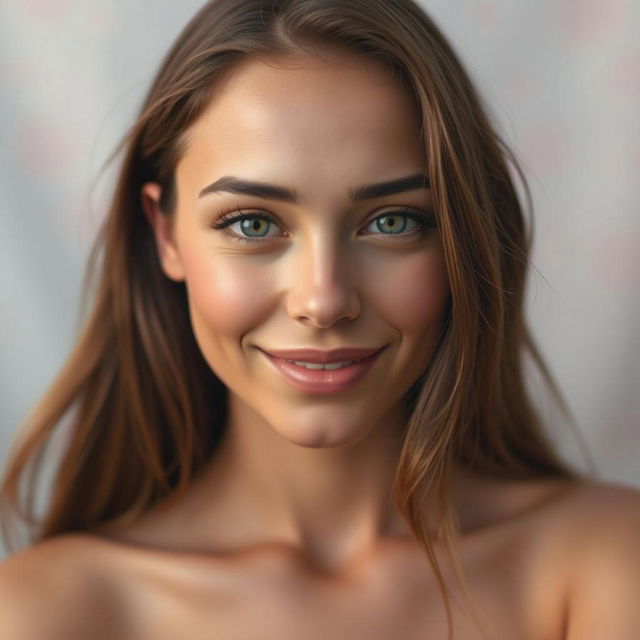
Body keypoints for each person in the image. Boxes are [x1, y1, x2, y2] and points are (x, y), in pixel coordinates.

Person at [1, 0, 639, 638]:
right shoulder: (48, 611)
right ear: (165, 235)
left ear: (461, 238)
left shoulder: (607, 561)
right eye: (253, 224)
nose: (324, 299)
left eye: (392, 221)